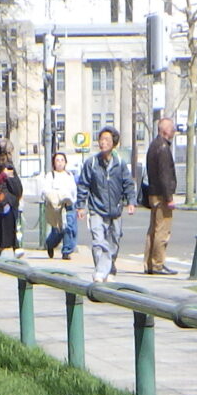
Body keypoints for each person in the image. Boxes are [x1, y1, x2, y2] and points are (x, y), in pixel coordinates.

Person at [76, 128, 135, 284]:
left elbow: (128, 183)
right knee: (98, 240)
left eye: (107, 140)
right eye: (101, 139)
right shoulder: (92, 163)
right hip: (96, 208)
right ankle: (100, 272)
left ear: (114, 143)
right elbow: (83, 184)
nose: (103, 143)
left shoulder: (120, 163)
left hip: (115, 209)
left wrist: (131, 201)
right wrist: (81, 205)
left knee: (114, 240)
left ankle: (109, 267)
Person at [141, 116, 180, 274]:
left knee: (153, 230)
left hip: (153, 193)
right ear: (164, 130)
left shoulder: (153, 145)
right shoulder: (163, 148)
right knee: (162, 231)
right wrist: (169, 197)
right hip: (161, 196)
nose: (174, 131)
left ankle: (149, 263)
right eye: (172, 128)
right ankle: (157, 264)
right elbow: (165, 175)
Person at [36, 151, 76, 259]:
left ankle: (66, 251)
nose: (60, 163)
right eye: (57, 160)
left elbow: (74, 190)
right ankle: (50, 243)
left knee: (69, 228)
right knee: (58, 230)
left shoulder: (69, 175)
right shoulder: (51, 175)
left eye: (62, 160)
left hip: (69, 205)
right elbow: (45, 190)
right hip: (57, 207)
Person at [0, 143, 24, 254]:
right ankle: (14, 247)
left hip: (0, 200)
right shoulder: (8, 166)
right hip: (8, 201)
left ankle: (0, 249)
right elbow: (16, 187)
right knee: (9, 227)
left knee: (1, 227)